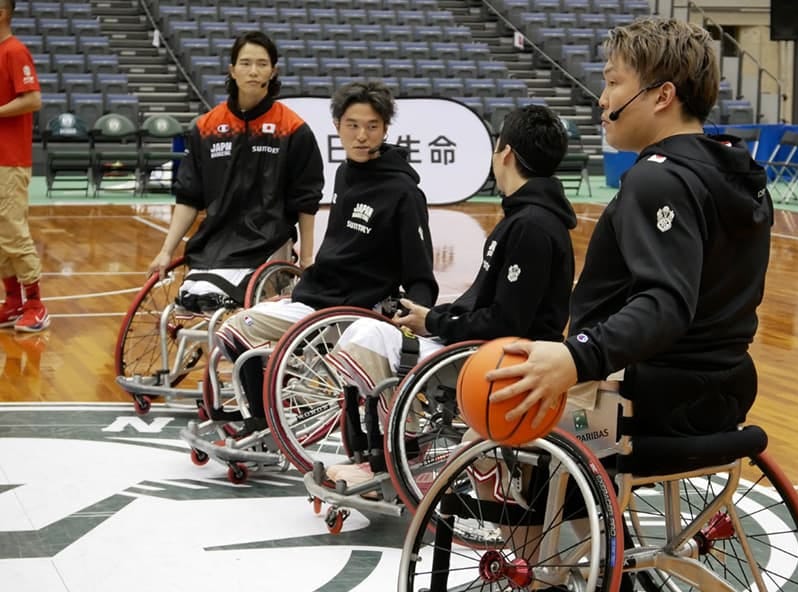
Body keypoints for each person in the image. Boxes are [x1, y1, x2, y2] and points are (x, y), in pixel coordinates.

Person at [491, 17, 773, 448]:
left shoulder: (656, 178)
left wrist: (574, 356)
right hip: (723, 391)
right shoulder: (741, 174)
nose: (602, 99)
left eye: (613, 83)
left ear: (663, 96)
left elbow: (666, 304)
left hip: (637, 395)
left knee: (487, 409)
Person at [326, 104, 577, 485]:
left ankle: (398, 459)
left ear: (505, 153)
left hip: (500, 363)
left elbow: (506, 323)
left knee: (366, 338)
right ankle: (389, 455)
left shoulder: (532, 226)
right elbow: (490, 308)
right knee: (371, 332)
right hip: (483, 348)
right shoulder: (525, 218)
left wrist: (434, 321)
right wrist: (435, 317)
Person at [215, 80, 438, 428]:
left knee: (240, 330)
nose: (361, 136)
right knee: (231, 332)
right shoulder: (345, 173)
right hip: (319, 297)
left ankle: (271, 419)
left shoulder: (404, 193)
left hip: (354, 309)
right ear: (337, 126)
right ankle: (265, 418)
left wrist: (414, 318)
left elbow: (420, 273)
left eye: (372, 127)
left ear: (385, 129)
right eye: (353, 125)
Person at [148, 31, 324, 310]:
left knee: (227, 304)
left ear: (273, 71)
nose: (253, 71)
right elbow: (189, 197)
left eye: (262, 64)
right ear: (232, 70)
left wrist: (307, 259)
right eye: (245, 63)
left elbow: (306, 200)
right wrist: (165, 251)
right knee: (193, 300)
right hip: (213, 241)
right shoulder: (206, 127)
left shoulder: (293, 129)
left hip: (268, 240)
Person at [0, 0, 48, 333]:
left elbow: (33, 99)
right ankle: (13, 302)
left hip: (10, 159)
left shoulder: (15, 51)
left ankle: (35, 304)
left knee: (14, 232)